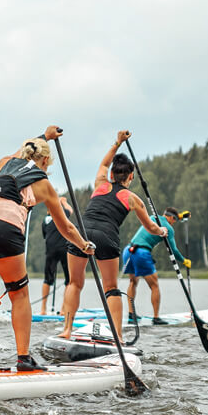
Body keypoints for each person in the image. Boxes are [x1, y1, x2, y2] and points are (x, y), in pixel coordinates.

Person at [0, 126, 92, 372]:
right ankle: (23, 359)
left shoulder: (4, 162)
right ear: (43, 161)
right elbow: (66, 228)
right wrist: (85, 245)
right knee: (18, 294)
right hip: (4, 225)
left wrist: (44, 135)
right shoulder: (45, 185)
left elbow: (22, 152)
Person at [60, 130, 168, 340]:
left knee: (74, 283)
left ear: (111, 175)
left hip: (81, 232)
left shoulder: (100, 183)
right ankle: (118, 337)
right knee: (110, 288)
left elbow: (103, 163)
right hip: (106, 236)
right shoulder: (133, 198)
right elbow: (151, 228)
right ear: (130, 177)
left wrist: (117, 142)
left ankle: (66, 330)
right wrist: (162, 230)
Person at [123, 206, 192, 324]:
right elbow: (173, 250)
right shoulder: (169, 228)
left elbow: (166, 218)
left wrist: (179, 216)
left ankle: (131, 315)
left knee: (133, 282)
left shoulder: (151, 217)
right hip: (142, 253)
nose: (174, 223)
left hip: (129, 250)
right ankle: (156, 318)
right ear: (171, 218)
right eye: (174, 220)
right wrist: (183, 260)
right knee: (154, 285)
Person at [37, 197, 73, 315]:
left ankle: (43, 309)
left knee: (47, 279)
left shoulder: (45, 220)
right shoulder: (62, 216)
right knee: (69, 280)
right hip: (64, 250)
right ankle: (63, 309)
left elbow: (44, 235)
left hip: (51, 250)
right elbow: (70, 210)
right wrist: (64, 202)